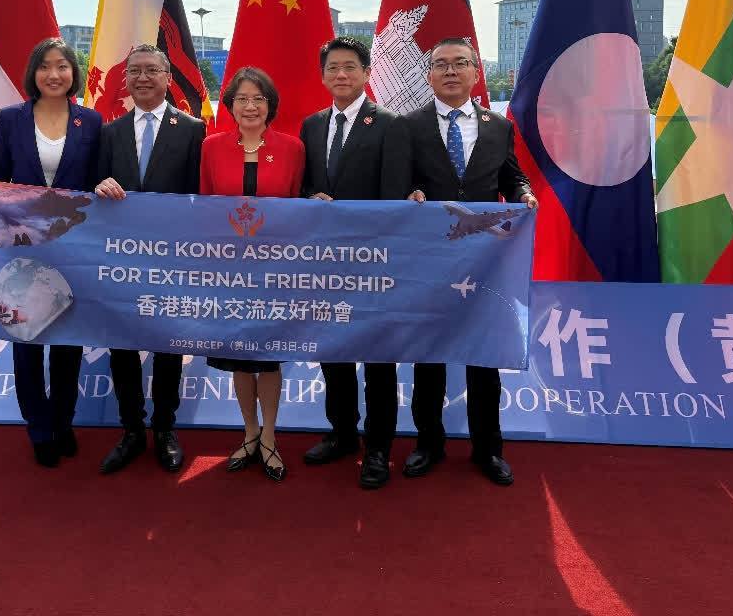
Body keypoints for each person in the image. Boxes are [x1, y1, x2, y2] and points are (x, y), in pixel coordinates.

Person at [0, 37, 102, 468]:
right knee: (26, 338)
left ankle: (63, 421)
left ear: (73, 73)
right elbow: (0, 173)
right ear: (33, 73)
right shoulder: (11, 119)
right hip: (21, 248)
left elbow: (97, 179)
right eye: (45, 66)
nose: (53, 74)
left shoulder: (92, 121)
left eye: (62, 66)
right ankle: (38, 427)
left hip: (73, 245)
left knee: (68, 340)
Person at [402, 37, 537, 487]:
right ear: (429, 76)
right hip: (430, 257)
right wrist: (407, 194)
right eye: (440, 65)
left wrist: (522, 194)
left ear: (475, 73)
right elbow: (399, 181)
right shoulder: (409, 126)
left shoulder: (498, 126)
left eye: (460, 63)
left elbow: (510, 175)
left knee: (484, 356)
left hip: (485, 260)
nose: (450, 71)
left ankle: (488, 449)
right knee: (429, 356)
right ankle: (428, 443)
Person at [298, 37, 410, 489]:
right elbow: (303, 185)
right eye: (333, 68)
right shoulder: (311, 125)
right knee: (334, 353)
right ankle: (342, 433)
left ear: (366, 73)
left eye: (350, 67)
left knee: (378, 360)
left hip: (374, 262)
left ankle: (378, 448)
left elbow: (394, 196)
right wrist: (310, 197)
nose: (341, 75)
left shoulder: (389, 124)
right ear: (323, 75)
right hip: (324, 262)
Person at [93, 44, 206, 475]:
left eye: (151, 71)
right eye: (135, 71)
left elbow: (200, 196)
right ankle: (131, 429)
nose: (142, 78)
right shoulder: (109, 132)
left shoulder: (192, 130)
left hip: (172, 259)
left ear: (167, 78)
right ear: (125, 80)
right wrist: (99, 185)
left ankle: (165, 428)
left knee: (167, 346)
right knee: (122, 345)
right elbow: (91, 188)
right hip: (121, 259)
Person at [201, 67, 305, 483]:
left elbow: (298, 206)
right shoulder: (211, 147)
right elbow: (204, 205)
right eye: (241, 99)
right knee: (239, 358)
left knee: (268, 356)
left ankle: (270, 436)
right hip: (228, 272)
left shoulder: (293, 148)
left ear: (270, 105)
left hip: (275, 271)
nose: (249, 106)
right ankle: (249, 432)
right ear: (229, 105)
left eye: (258, 99)